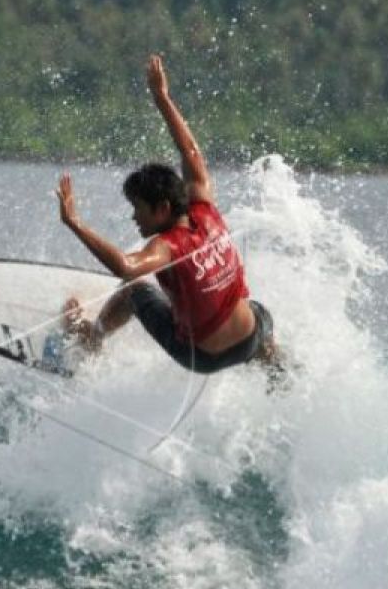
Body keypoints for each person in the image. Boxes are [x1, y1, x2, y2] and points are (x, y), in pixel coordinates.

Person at [55, 54, 281, 376]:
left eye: (138, 209)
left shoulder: (168, 247)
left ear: (162, 208)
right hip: (248, 339)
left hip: (203, 357)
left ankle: (92, 337)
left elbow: (126, 267)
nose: (134, 218)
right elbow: (189, 150)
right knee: (261, 313)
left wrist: (74, 222)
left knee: (133, 291)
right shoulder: (205, 207)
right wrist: (161, 97)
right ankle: (270, 359)